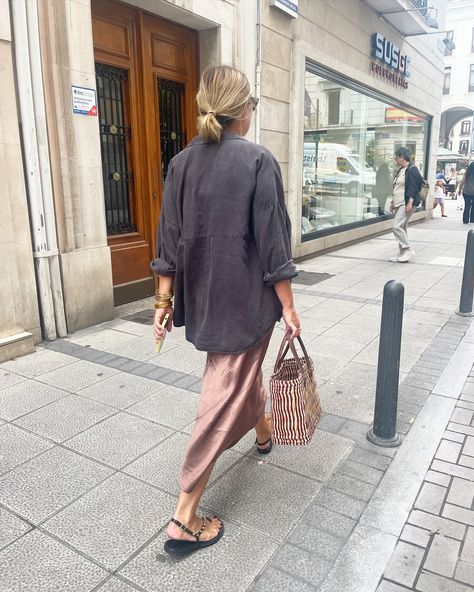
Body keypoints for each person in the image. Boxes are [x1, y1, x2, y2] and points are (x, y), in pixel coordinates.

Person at [151, 65, 300, 556]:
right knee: (219, 401)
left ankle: (262, 433)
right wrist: (290, 307)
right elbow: (274, 242)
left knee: (238, 377)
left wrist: (162, 301)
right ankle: (184, 515)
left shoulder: (180, 163)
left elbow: (168, 241)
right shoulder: (257, 160)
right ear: (245, 109)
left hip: (207, 301)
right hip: (246, 304)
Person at [389, 147, 423, 263]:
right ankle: (402, 254)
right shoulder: (401, 170)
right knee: (402, 227)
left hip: (407, 202)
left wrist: (410, 202)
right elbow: (397, 187)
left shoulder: (412, 169)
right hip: (399, 202)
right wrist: (393, 202)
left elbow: (414, 187)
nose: (395, 159)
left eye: (396, 157)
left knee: (396, 226)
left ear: (402, 157)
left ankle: (407, 249)